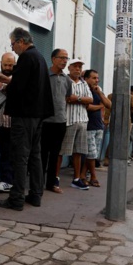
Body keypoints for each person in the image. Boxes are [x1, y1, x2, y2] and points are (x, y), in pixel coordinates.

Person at [0, 27, 54, 210]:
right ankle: (35, 195)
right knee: (35, 156)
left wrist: (3, 86)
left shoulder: (27, 57)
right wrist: (10, 81)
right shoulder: (39, 57)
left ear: (21, 41)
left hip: (24, 115)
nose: (13, 48)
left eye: (13, 44)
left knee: (19, 157)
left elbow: (19, 88)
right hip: (37, 115)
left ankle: (16, 198)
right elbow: (30, 85)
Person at [41, 48, 72, 194]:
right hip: (45, 121)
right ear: (53, 59)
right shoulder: (44, 75)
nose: (65, 61)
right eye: (62, 58)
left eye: (66, 58)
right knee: (41, 153)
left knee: (55, 154)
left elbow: (66, 97)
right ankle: (38, 183)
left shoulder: (67, 80)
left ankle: (51, 183)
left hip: (60, 122)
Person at [59, 59, 93, 190]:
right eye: (75, 66)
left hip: (82, 120)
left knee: (78, 151)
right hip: (68, 120)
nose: (77, 69)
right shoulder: (65, 81)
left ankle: (76, 178)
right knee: (62, 151)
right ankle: (55, 178)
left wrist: (77, 99)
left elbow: (89, 100)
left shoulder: (84, 84)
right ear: (69, 68)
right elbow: (66, 99)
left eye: (80, 67)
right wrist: (79, 100)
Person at [0, 52, 16, 193]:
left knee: (15, 153)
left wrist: (5, 85)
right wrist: (9, 87)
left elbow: (19, 91)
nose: (7, 67)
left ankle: (12, 181)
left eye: (10, 65)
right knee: (4, 152)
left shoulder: (18, 78)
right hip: (1, 121)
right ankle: (6, 181)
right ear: (1, 63)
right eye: (5, 64)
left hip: (15, 122)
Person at [83, 69, 111, 187]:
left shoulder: (98, 90)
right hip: (88, 125)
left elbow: (109, 105)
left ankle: (83, 175)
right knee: (92, 153)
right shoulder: (83, 89)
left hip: (98, 126)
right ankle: (93, 177)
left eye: (97, 78)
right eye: (94, 78)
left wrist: (99, 93)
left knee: (92, 154)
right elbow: (87, 106)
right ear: (86, 79)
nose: (97, 80)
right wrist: (100, 106)